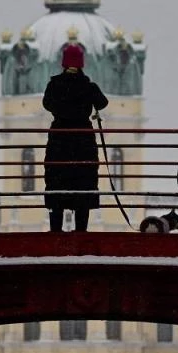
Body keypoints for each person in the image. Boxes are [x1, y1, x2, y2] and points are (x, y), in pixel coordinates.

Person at [43, 44, 109, 232]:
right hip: (83, 141)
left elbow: (47, 103)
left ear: (63, 63)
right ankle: (81, 231)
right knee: (83, 184)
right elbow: (103, 103)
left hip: (60, 141)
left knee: (57, 182)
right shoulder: (88, 86)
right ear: (82, 64)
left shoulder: (54, 85)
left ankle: (55, 229)